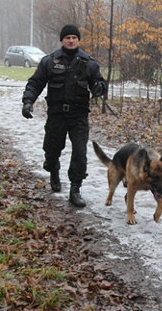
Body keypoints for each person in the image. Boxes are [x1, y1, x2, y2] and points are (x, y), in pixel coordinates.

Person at [22, 24, 107, 207]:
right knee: (51, 150)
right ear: (62, 40)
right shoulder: (50, 61)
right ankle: (53, 170)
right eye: (67, 37)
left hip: (79, 116)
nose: (70, 40)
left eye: (74, 38)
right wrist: (28, 102)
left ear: (78, 40)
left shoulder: (88, 63)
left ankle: (75, 189)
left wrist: (100, 87)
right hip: (57, 114)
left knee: (79, 152)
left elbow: (98, 82)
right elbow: (35, 83)